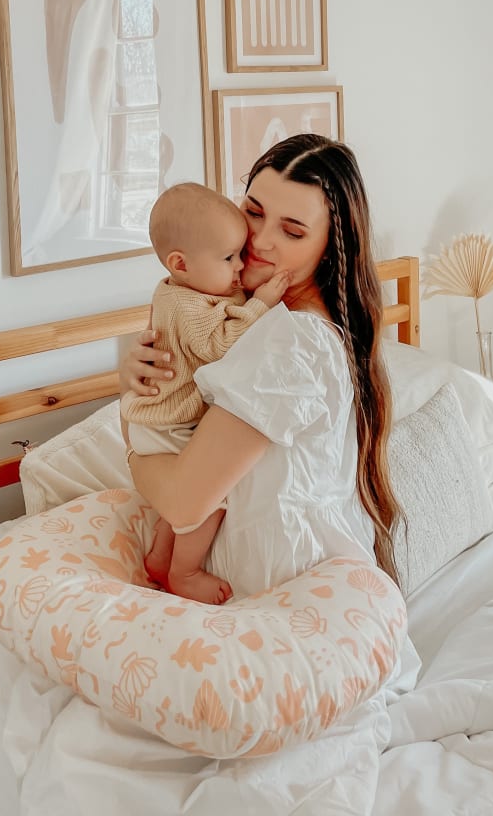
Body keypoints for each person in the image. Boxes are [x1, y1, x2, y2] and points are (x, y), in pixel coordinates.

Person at [120, 133, 402, 601]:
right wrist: (139, 379)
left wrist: (133, 440)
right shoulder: (249, 315)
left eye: (292, 232)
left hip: (278, 592)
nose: (260, 241)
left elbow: (184, 502)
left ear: (330, 247)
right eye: (253, 212)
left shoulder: (291, 341)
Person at [121, 182, 290, 604]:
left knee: (179, 493)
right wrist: (260, 304)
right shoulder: (185, 306)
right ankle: (185, 571)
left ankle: (160, 558)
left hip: (157, 420)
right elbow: (219, 344)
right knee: (208, 500)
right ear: (180, 264)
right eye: (229, 258)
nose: (240, 266)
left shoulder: (185, 288)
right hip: (169, 423)